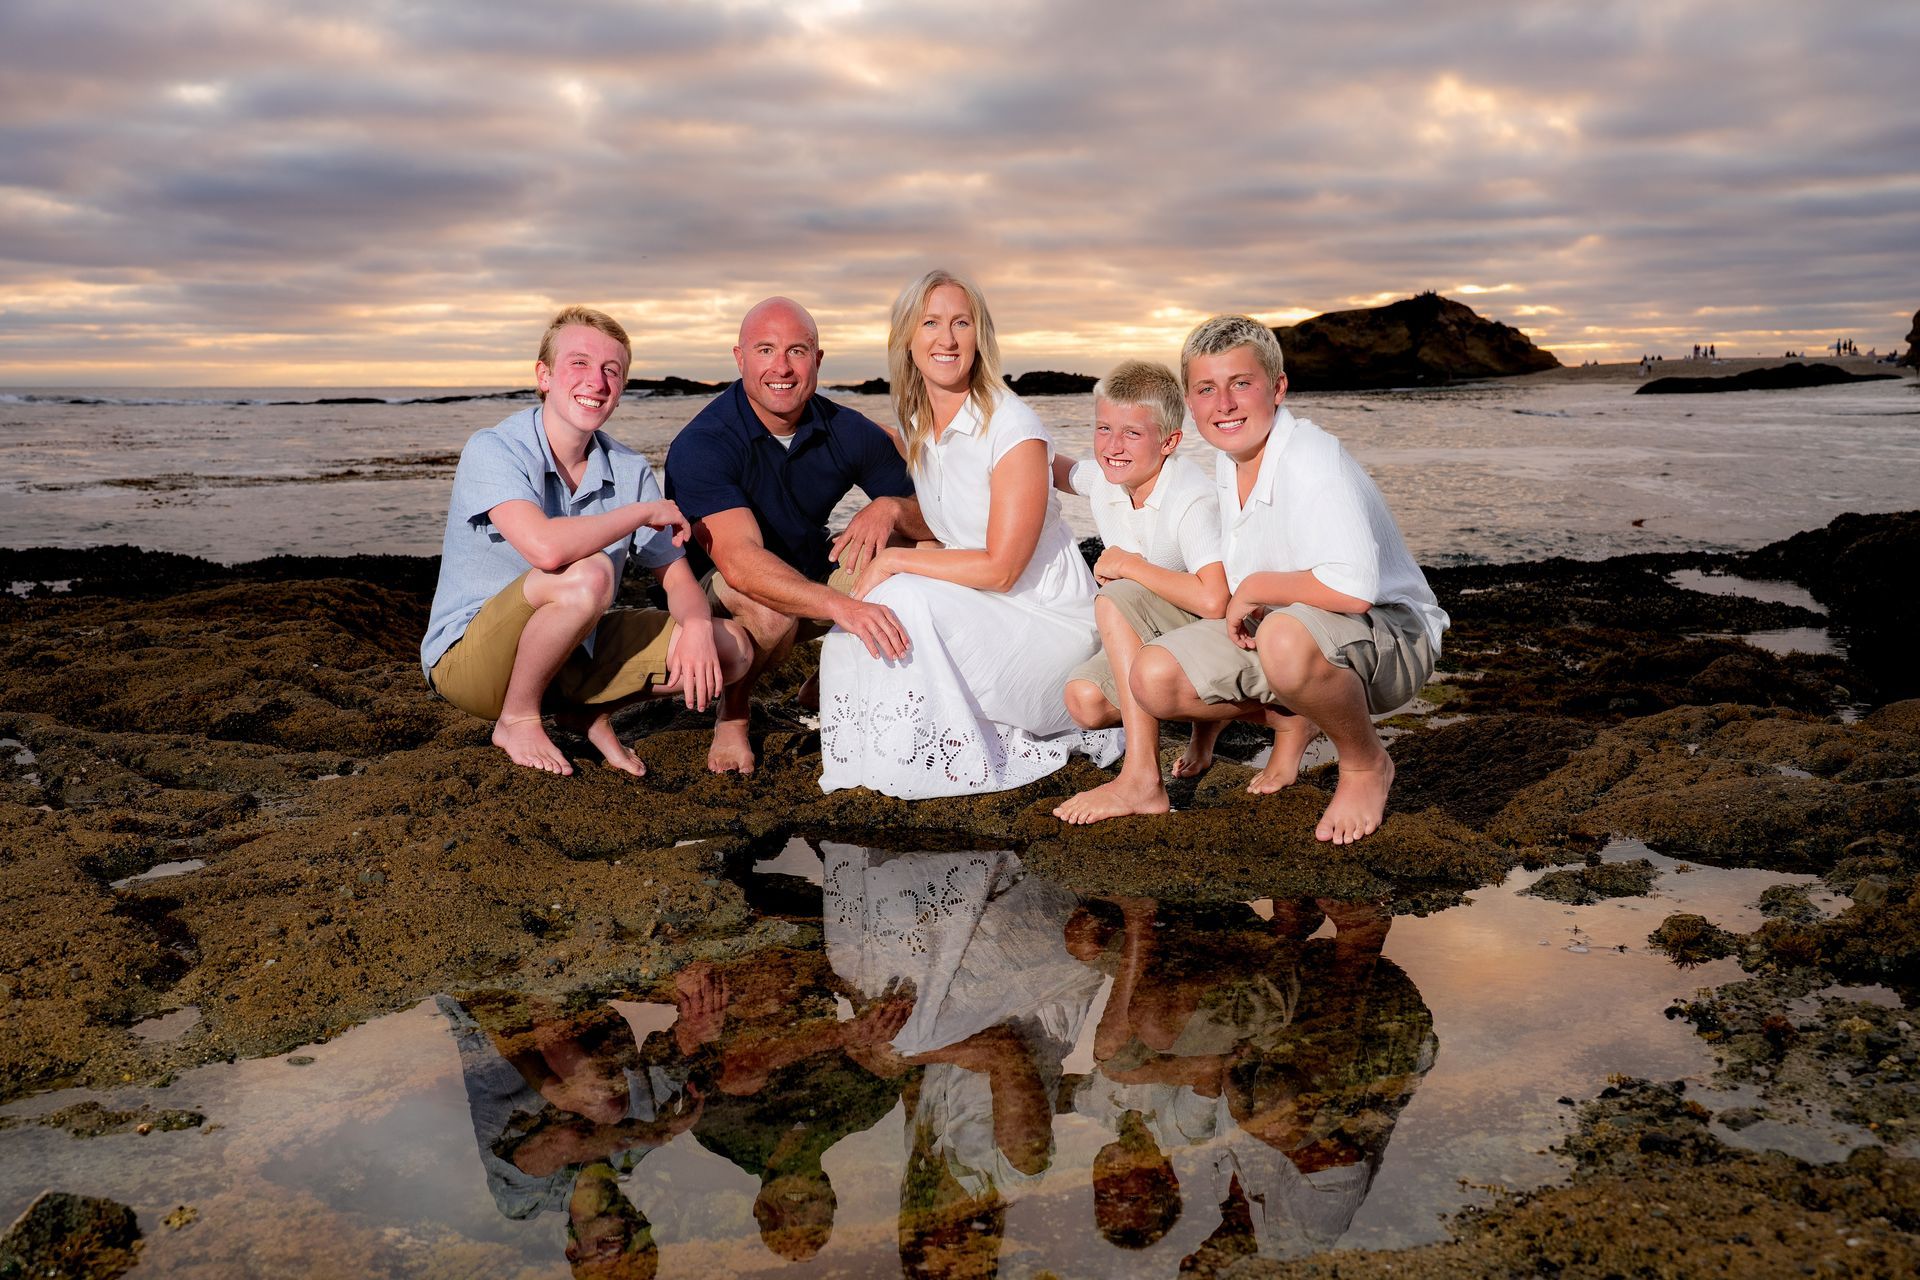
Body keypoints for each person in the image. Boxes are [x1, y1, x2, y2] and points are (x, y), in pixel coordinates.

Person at [1130, 316, 1448, 844]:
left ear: (1278, 388)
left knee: (1280, 635)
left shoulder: (1310, 456)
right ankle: (1295, 716)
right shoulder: (1227, 460)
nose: (1224, 404)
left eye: (1241, 384)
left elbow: (1353, 589)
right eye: (1207, 389)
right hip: (1300, 631)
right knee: (1154, 678)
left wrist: (1253, 590)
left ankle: (1366, 764)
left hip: (1395, 635)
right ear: (1190, 401)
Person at [818, 270, 1122, 797]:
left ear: (980, 336)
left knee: (901, 592)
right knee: (864, 611)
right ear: (907, 339)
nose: (948, 338)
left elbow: (1000, 569)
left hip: (1050, 630)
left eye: (962, 322)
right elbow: (947, 523)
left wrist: (894, 559)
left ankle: (927, 762)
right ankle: (872, 760)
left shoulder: (1012, 427)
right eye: (931, 322)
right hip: (988, 612)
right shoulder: (920, 425)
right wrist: (889, 509)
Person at [421, 307, 753, 777]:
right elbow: (546, 550)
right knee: (588, 574)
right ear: (545, 376)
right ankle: (516, 719)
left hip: (569, 659)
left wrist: (698, 626)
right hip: (472, 664)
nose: (595, 381)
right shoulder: (494, 448)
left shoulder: (629, 468)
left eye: (611, 371)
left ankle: (584, 711)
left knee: (732, 646)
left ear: (619, 391)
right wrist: (640, 512)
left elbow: (677, 580)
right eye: (579, 363)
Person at [664, 298, 931, 774]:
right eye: (765, 350)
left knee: (920, 558)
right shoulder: (704, 443)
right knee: (771, 613)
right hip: (714, 596)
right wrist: (840, 607)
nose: (781, 367)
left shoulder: (846, 430)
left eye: (797, 351)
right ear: (740, 357)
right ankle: (734, 716)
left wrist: (889, 508)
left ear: (818, 359)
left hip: (810, 569)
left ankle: (825, 682)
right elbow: (739, 561)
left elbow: (936, 522)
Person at [1048, 360, 1229, 824]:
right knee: (1085, 700)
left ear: (1169, 441)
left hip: (1220, 635)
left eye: (1131, 433)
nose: (1112, 446)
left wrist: (1131, 566)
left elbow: (1215, 600)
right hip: (1165, 633)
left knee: (1116, 596)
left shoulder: (1191, 498)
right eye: (1103, 428)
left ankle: (1142, 779)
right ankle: (1205, 726)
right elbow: (1054, 467)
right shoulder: (1108, 480)